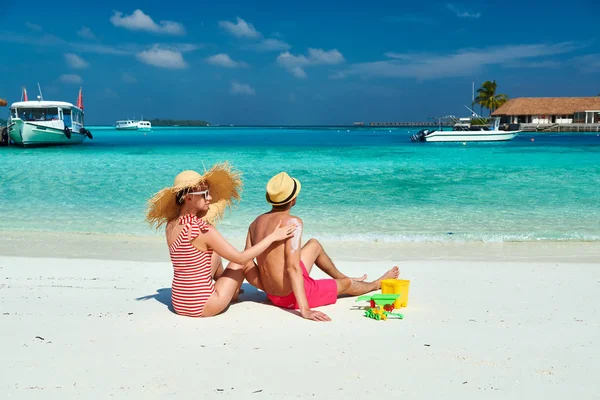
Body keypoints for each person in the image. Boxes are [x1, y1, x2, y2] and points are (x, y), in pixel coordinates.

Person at [145, 163, 297, 318]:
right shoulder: (204, 230)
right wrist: (273, 237)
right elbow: (241, 258)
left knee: (214, 254)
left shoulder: (170, 225)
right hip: (203, 305)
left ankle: (231, 288)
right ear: (189, 197)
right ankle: (246, 293)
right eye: (205, 194)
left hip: (178, 302)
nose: (210, 198)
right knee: (240, 261)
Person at [244, 172, 399, 322]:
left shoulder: (255, 223)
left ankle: (340, 276)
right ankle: (374, 284)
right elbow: (293, 268)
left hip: (273, 293)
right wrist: (305, 310)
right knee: (347, 284)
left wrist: (268, 287)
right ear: (293, 199)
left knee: (314, 244)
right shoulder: (293, 223)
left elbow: (247, 263)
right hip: (291, 296)